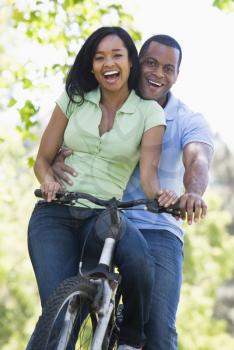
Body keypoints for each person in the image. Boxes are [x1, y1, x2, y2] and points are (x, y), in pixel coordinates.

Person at [53, 34, 214, 350]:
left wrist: (193, 192)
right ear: (137, 63)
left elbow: (197, 158)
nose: (158, 74)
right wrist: (58, 159)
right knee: (64, 313)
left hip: (156, 228)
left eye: (168, 68)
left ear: (177, 75)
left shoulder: (187, 119)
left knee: (157, 333)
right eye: (151, 63)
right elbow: (79, 139)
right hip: (100, 217)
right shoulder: (107, 100)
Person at [27, 27, 178, 350]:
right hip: (53, 214)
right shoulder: (73, 98)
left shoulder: (150, 112)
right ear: (92, 65)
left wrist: (162, 196)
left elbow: (149, 177)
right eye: (99, 57)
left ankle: (130, 339)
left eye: (116, 55)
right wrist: (48, 180)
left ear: (130, 62)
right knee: (58, 313)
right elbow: (42, 159)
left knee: (139, 260)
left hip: (104, 216)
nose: (108, 63)